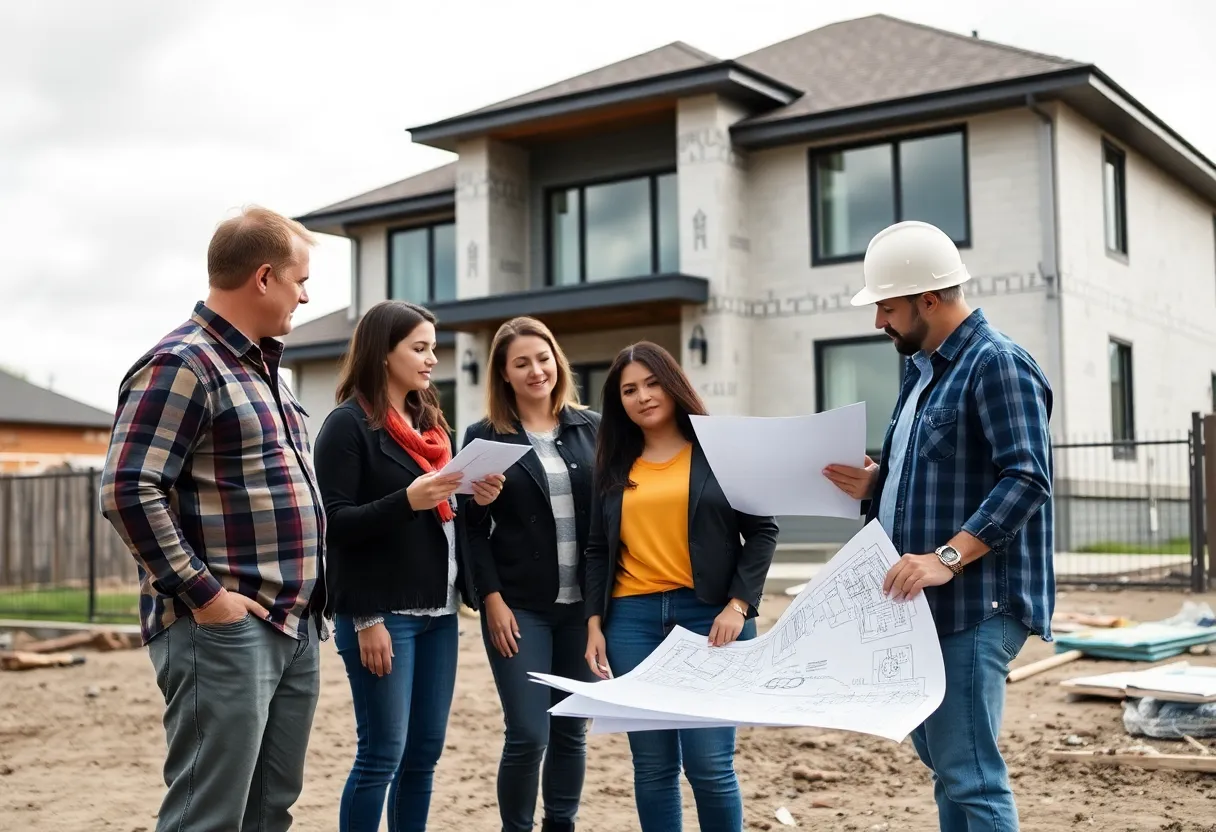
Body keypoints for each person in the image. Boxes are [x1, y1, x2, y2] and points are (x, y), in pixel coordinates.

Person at [98, 205, 325, 832]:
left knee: (269, 809)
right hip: (224, 631)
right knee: (209, 815)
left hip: (292, 623)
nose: (305, 297)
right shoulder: (182, 363)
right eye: (300, 281)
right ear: (263, 277)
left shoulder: (263, 368)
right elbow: (126, 490)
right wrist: (207, 598)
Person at [824, 220, 1054, 832]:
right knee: (948, 767)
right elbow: (937, 476)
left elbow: (1027, 479)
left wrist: (945, 557)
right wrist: (878, 486)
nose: (879, 322)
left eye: (887, 307)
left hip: (976, 603)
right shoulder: (922, 370)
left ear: (929, 298)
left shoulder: (997, 364)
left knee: (970, 774)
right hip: (922, 607)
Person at [312, 300, 504, 832]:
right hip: (381, 615)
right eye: (419, 348)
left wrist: (476, 498)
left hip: (439, 613)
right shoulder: (346, 426)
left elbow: (440, 515)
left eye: (433, 349)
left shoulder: (429, 424)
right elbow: (334, 525)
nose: (431, 360)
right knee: (382, 754)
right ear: (382, 353)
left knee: (424, 754)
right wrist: (366, 618)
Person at [582, 341, 779, 832]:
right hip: (632, 623)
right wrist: (594, 624)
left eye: (651, 383)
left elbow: (762, 532)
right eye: (629, 390)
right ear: (618, 401)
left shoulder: (719, 453)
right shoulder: (611, 466)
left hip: (711, 618)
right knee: (652, 768)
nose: (642, 396)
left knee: (710, 767)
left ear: (672, 385)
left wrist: (739, 605)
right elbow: (597, 550)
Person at [458, 317, 600, 832]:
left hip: (581, 609)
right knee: (528, 733)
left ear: (556, 361)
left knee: (570, 730)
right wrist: (490, 599)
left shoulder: (593, 429)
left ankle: (560, 825)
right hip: (518, 606)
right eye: (521, 363)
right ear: (504, 374)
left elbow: (610, 521)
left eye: (542, 358)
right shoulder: (483, 437)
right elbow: (470, 530)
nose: (536, 370)